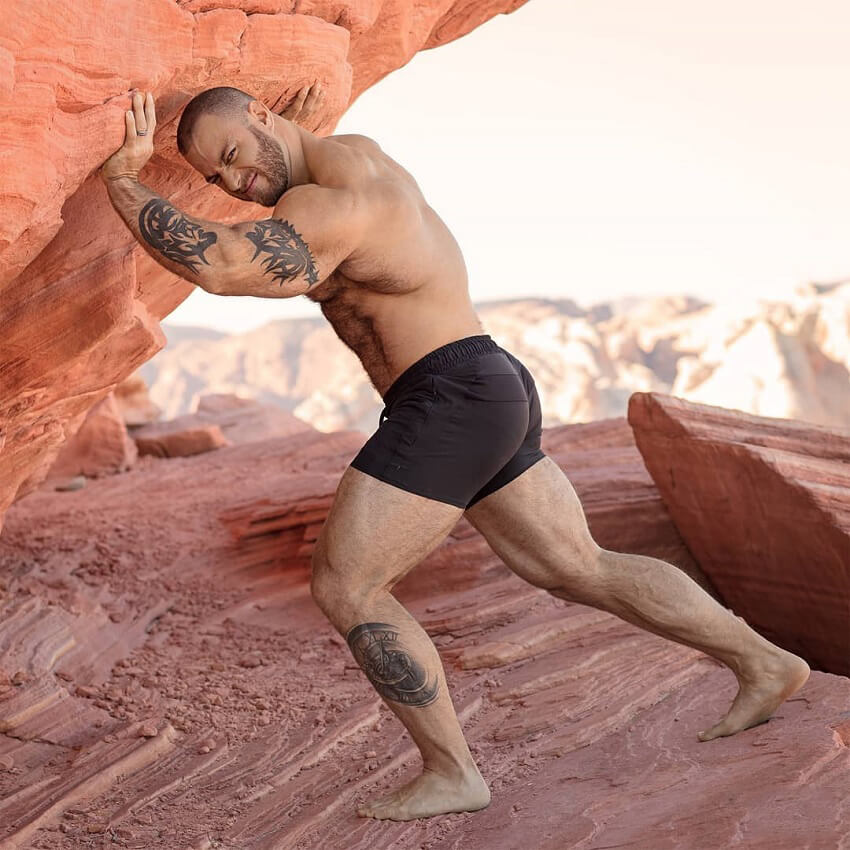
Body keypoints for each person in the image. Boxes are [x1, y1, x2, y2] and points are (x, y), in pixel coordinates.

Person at [101, 87, 810, 822]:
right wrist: (297, 136)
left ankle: (453, 773)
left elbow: (222, 265)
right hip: (483, 384)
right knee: (575, 565)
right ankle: (764, 662)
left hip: (451, 400)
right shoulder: (350, 163)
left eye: (234, 158)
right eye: (218, 180)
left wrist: (122, 181)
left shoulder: (338, 202)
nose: (234, 184)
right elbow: (301, 198)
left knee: (348, 587)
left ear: (263, 117)